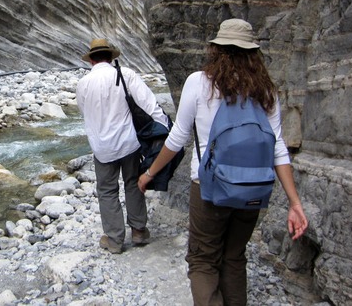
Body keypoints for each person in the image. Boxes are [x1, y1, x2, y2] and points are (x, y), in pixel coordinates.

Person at [137, 19, 308, 305]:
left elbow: (178, 137)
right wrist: (295, 203)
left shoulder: (199, 83)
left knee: (203, 260)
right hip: (253, 189)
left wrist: (150, 172)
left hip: (208, 187)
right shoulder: (267, 91)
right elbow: (278, 148)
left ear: (215, 49)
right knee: (234, 257)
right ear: (253, 53)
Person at [76, 38, 169, 254]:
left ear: (91, 60)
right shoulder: (125, 75)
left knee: (107, 190)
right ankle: (138, 230)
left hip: (102, 147)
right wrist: (166, 126)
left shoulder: (83, 83)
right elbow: (149, 103)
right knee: (132, 182)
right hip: (129, 142)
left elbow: (84, 112)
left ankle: (115, 240)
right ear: (111, 57)